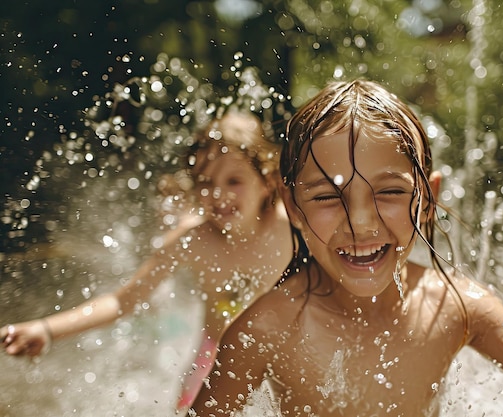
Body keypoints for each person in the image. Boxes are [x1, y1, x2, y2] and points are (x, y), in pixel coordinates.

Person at [192, 79, 503, 417]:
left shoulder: (457, 307)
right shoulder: (267, 328)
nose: (361, 222)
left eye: (390, 193)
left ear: (428, 199)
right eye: (327, 196)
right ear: (294, 207)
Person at [0, 108, 293, 412]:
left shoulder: (289, 226)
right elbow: (121, 302)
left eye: (234, 181)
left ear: (268, 181)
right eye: (205, 182)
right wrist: (47, 330)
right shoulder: (191, 241)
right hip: (214, 359)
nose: (218, 194)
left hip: (279, 356)